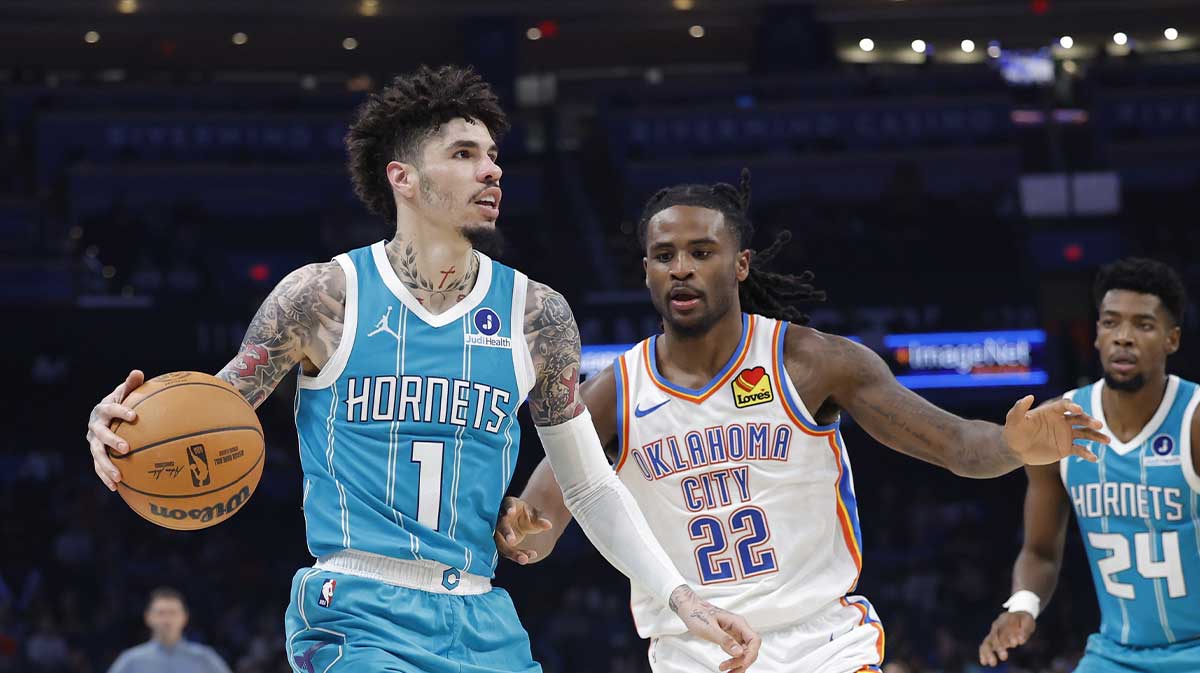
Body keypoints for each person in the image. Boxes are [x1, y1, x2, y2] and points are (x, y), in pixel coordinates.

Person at [85, 65, 759, 673]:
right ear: (403, 177)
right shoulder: (323, 298)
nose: (491, 170)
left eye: (493, 156)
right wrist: (116, 427)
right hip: (355, 609)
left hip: (480, 615)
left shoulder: (538, 315)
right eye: (464, 155)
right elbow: (209, 412)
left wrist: (679, 596)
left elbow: (588, 487)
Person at [494, 170, 1106, 673]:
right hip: (693, 653)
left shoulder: (814, 363)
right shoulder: (613, 393)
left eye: (701, 252)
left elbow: (960, 447)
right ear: (647, 271)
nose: (681, 267)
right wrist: (515, 525)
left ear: (740, 264)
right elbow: (538, 531)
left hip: (823, 647)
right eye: (663, 256)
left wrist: (1014, 444)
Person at [979, 257, 1199, 672]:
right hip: (1115, 653)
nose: (1124, 338)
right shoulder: (1058, 424)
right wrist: (1022, 605)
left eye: (1143, 325)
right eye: (1111, 323)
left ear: (1171, 339)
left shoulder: (1194, 420)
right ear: (1095, 335)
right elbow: (1040, 552)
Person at [107, 587, 231, 673]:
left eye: (173, 613)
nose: (167, 619)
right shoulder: (131, 660)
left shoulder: (204, 658)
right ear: (148, 617)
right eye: (161, 613)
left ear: (184, 618)